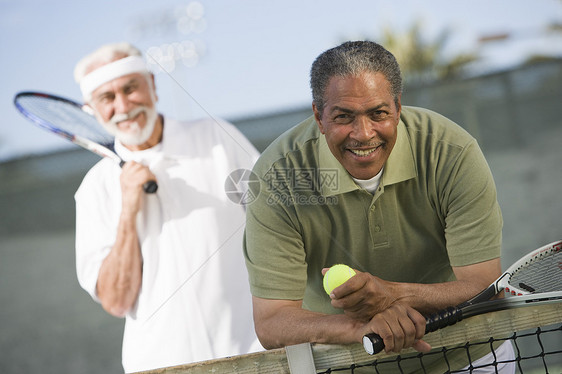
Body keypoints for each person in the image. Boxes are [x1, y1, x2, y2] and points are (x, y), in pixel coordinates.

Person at [243, 41, 515, 373]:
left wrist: (392, 295)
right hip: (350, 364)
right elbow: (272, 322)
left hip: (468, 355)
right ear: (319, 116)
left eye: (378, 113)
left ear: (398, 107)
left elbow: (484, 288)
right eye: (344, 116)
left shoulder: (452, 152)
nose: (363, 133)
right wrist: (357, 329)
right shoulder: (276, 178)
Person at [73, 42, 262, 373]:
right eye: (107, 98)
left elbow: (278, 224)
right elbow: (116, 300)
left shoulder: (218, 139)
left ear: (153, 85)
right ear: (93, 109)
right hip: (158, 365)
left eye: (131, 88)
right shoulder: (93, 189)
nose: (123, 105)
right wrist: (128, 210)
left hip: (253, 354)